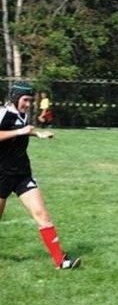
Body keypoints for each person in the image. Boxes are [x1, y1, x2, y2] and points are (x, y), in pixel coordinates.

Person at [0, 81, 80, 269]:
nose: (28, 104)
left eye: (30, 100)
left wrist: (38, 134)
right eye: (25, 100)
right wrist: (21, 131)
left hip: (22, 175)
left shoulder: (22, 114)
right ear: (15, 98)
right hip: (1, 174)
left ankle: (60, 260)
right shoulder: (3, 113)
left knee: (42, 215)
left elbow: (22, 131)